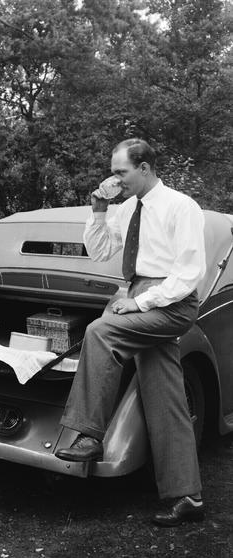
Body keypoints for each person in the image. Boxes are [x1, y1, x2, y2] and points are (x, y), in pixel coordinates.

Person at [55, 139, 207, 526]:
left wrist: (140, 303)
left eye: (121, 172)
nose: (114, 178)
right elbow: (100, 251)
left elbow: (189, 275)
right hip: (141, 293)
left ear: (145, 168)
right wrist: (99, 209)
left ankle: (89, 435)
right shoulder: (125, 210)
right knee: (164, 393)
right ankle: (187, 496)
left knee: (101, 331)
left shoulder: (181, 207)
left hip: (172, 302)